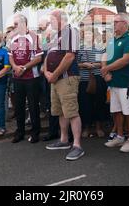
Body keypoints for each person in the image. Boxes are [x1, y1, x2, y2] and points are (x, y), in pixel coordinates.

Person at [44, 9, 84, 161]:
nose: (50, 22)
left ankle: (77, 145)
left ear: (61, 19)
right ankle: (64, 140)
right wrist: (47, 71)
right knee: (61, 111)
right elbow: (48, 55)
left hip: (67, 78)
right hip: (55, 80)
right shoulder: (56, 35)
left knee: (72, 111)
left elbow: (69, 56)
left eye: (52, 19)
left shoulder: (71, 31)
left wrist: (54, 74)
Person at [102, 13, 129, 153]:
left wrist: (106, 69)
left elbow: (127, 59)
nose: (114, 24)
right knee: (116, 110)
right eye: (114, 22)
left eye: (116, 22)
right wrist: (105, 72)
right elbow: (105, 55)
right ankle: (119, 136)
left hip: (126, 82)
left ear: (125, 23)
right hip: (113, 82)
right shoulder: (112, 39)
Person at [9, 14, 43, 143]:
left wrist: (24, 68)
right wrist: (15, 67)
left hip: (31, 77)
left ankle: (35, 133)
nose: (14, 26)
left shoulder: (34, 37)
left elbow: (39, 58)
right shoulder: (12, 37)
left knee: (33, 106)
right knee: (19, 106)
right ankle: (20, 132)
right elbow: (10, 55)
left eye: (16, 24)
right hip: (17, 77)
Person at [78, 29, 107, 138]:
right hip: (83, 81)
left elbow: (103, 63)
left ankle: (99, 127)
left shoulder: (100, 48)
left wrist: (93, 65)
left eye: (90, 33)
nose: (88, 35)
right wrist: (84, 64)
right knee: (85, 105)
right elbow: (76, 64)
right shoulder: (79, 49)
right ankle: (86, 128)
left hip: (98, 79)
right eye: (86, 34)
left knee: (99, 103)